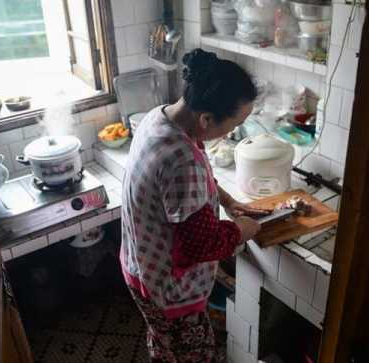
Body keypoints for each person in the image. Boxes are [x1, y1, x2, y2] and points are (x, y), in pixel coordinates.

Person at [120, 48, 267, 362]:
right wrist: (243, 230)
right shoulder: (182, 162)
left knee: (164, 346)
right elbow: (201, 245)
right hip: (169, 290)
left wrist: (228, 202)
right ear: (206, 119)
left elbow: (196, 175)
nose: (230, 133)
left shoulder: (159, 118)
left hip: (141, 266)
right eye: (233, 124)